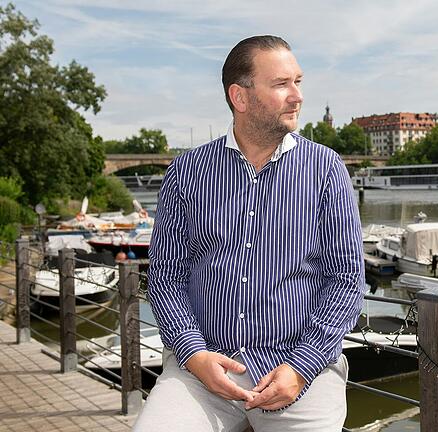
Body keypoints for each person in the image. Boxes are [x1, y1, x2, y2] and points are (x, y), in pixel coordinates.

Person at [133, 35, 365, 432]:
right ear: (240, 97)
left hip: (299, 369)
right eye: (281, 84)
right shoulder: (186, 173)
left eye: (299, 81)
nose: (297, 96)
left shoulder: (326, 170)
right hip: (204, 368)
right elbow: (166, 277)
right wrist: (193, 354)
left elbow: (346, 280)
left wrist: (302, 367)